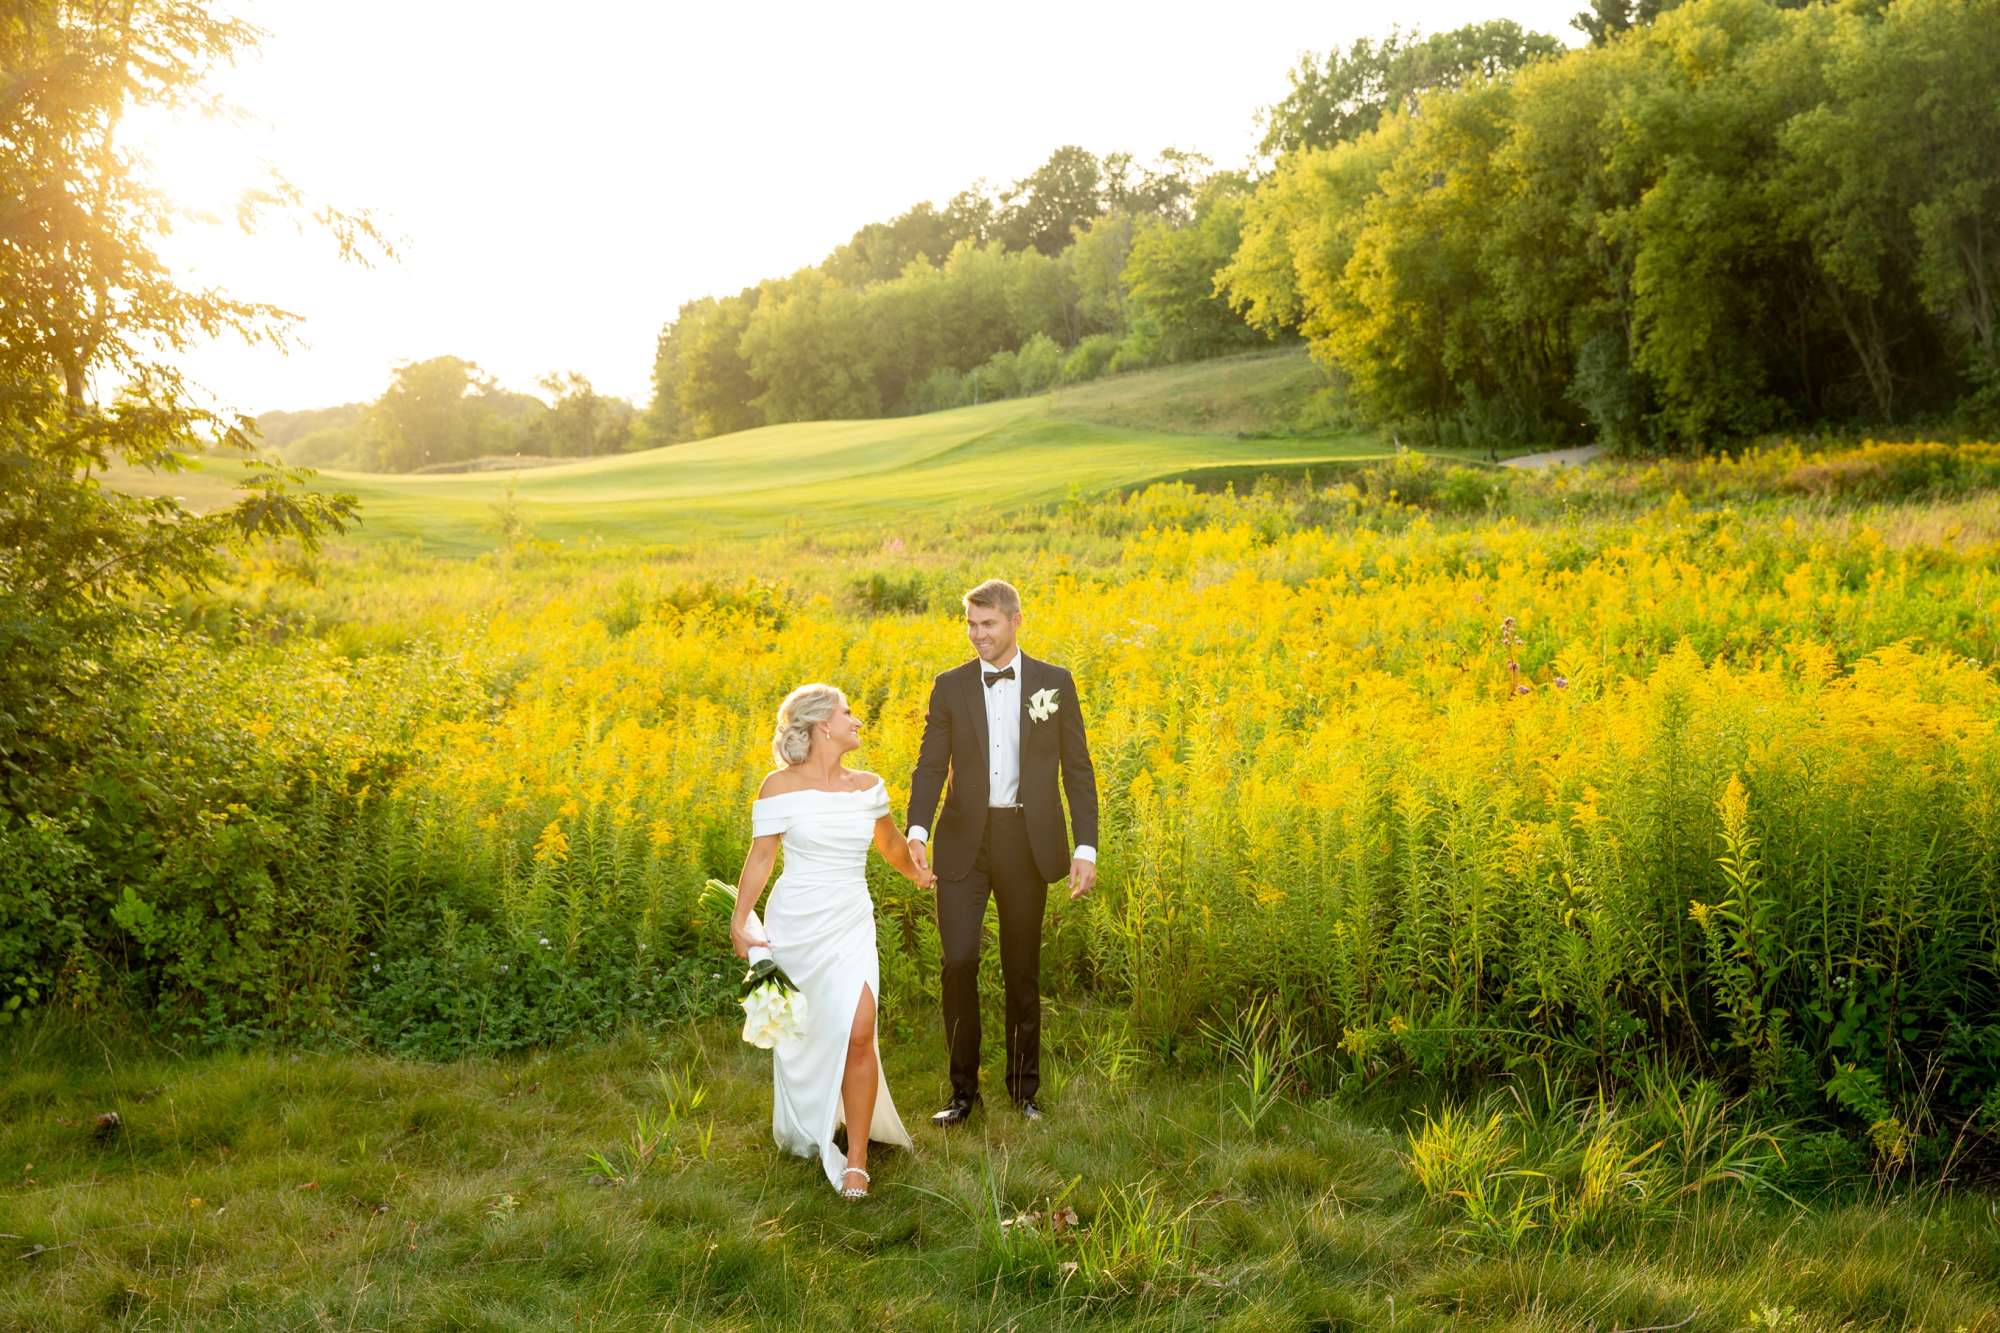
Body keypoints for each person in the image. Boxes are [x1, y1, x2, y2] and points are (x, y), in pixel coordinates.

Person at [906, 579, 1100, 1126]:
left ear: (1016, 621)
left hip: (1026, 840)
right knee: (958, 961)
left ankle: (1024, 1092)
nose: (977, 635)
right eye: (970, 624)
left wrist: (1086, 845)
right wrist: (917, 829)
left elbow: (1078, 771)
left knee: (1022, 970)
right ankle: (962, 1095)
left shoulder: (1053, 683)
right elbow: (928, 765)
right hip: (963, 840)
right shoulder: (949, 686)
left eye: (987, 624)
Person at [729, 683, 932, 1198]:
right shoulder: (778, 787)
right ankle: (809, 1120)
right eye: (848, 713)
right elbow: (761, 858)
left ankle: (857, 1161)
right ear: (823, 725)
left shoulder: (868, 786)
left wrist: (920, 874)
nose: (857, 721)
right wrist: (742, 921)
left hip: (850, 921)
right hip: (797, 923)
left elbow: (888, 844)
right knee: (809, 1033)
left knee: (860, 1029)